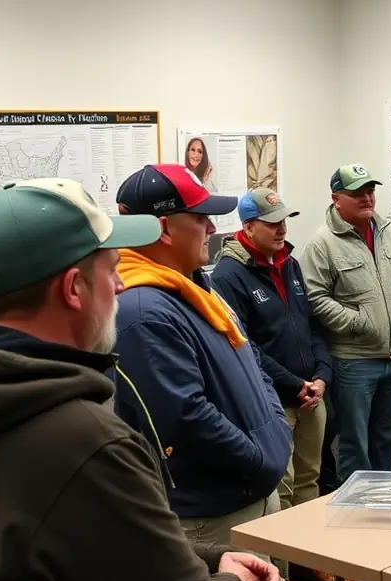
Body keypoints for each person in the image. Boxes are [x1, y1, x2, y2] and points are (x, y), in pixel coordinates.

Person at [0, 178, 355, 581]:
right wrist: (234, 580)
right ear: (73, 289)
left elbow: (100, 550)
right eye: (111, 272)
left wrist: (216, 558)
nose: (123, 286)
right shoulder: (87, 441)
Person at [111, 164, 292, 552]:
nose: (212, 228)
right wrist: (261, 459)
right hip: (213, 519)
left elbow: (250, 359)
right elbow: (185, 418)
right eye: (201, 218)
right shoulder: (142, 310)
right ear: (163, 228)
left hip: (250, 493)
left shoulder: (194, 283)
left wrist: (277, 429)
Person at [210, 188, 354, 581]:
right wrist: (295, 384)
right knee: (283, 485)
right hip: (274, 398)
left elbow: (310, 327)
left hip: (313, 392)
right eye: (272, 223)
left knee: (310, 481)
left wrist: (323, 374)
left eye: (284, 220)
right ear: (248, 226)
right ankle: (282, 574)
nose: (281, 228)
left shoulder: (289, 264)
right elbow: (244, 345)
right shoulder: (229, 275)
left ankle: (309, 560)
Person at [301, 164, 391, 480]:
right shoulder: (322, 244)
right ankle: (353, 512)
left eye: (370, 190)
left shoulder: (389, 235)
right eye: (357, 193)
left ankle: (382, 499)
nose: (366, 198)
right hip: (354, 362)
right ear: (336, 198)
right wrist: (360, 323)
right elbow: (316, 299)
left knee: (387, 436)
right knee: (355, 442)